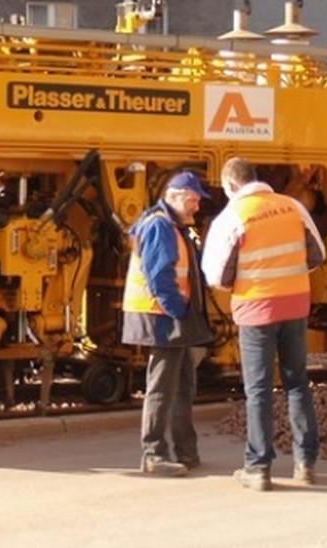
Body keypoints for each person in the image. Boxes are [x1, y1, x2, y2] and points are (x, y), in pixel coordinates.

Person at [201, 157, 325, 491]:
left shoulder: (232, 217)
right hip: (295, 306)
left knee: (258, 390)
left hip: (256, 311)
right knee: (297, 383)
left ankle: (258, 469)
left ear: (230, 185)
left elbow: (214, 273)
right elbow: (318, 255)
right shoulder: (292, 207)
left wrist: (243, 284)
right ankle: (306, 464)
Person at [122, 170, 214, 477]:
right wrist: (178, 312)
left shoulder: (168, 224)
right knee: (162, 387)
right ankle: (153, 455)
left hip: (171, 316)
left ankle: (186, 451)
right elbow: (160, 276)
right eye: (193, 200)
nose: (197, 207)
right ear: (174, 196)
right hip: (163, 317)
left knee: (183, 385)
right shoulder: (161, 226)